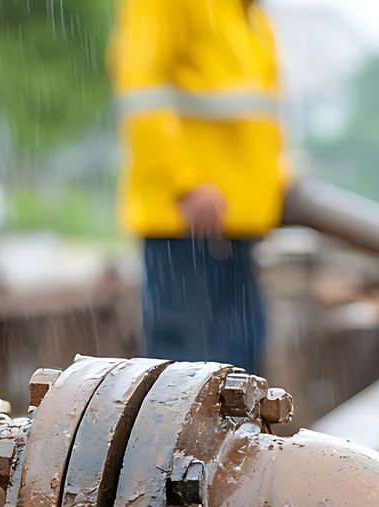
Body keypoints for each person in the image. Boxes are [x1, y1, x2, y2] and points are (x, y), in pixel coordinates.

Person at [111, 0, 285, 374]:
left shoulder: (248, 15)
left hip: (236, 223)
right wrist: (185, 183)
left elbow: (253, 117)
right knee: (186, 375)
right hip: (188, 222)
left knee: (238, 368)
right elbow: (142, 90)